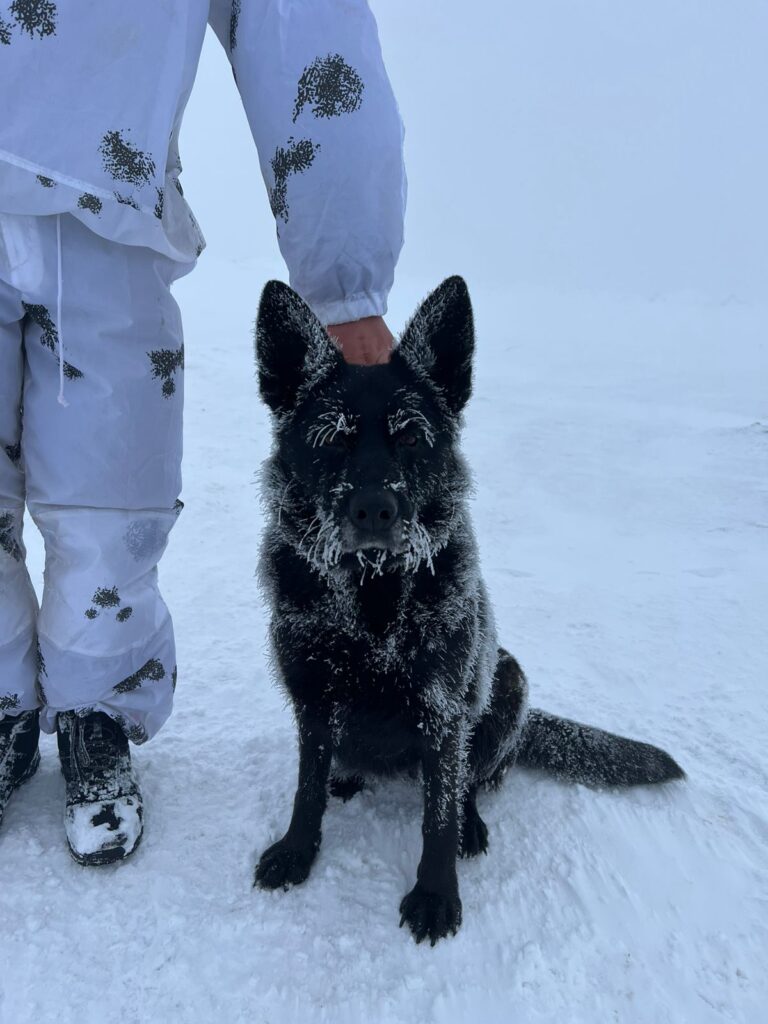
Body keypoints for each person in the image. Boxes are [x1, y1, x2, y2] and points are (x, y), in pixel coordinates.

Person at [0, 1, 405, 864]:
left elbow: (305, 25)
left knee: (113, 497)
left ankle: (96, 709)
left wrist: (345, 277)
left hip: (106, 204)